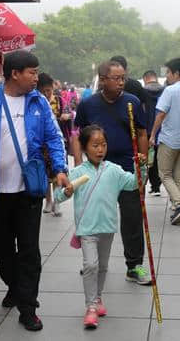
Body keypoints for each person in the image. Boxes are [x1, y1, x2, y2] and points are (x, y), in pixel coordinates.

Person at [0, 50, 70, 331]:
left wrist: (60, 169)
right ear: (14, 73)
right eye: (32, 72)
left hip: (29, 189)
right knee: (2, 250)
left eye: (37, 72)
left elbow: (54, 137)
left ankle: (28, 307)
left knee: (29, 250)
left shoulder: (39, 103)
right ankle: (14, 285)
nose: (37, 77)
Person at [55, 125, 146, 329]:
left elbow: (133, 184)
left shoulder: (113, 170)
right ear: (85, 148)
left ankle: (98, 298)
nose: (100, 149)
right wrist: (66, 192)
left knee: (103, 267)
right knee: (91, 265)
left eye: (103, 145)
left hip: (107, 227)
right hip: (87, 229)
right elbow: (59, 196)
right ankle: (91, 307)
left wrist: (142, 167)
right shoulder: (77, 172)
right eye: (95, 145)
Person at [74, 60, 152, 285]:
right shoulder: (88, 104)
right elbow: (78, 135)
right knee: (96, 217)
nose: (121, 82)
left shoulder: (132, 102)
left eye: (123, 78)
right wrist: (79, 164)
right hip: (98, 170)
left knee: (132, 217)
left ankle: (134, 265)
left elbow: (141, 133)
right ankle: (93, 261)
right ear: (103, 79)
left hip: (127, 167)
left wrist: (143, 163)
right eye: (116, 78)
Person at [149, 58, 180, 225]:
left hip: (169, 140)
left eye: (168, 73)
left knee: (164, 174)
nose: (167, 76)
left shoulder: (170, 91)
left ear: (176, 73)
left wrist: (152, 134)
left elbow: (161, 114)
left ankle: (179, 203)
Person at [37, 72, 67, 217]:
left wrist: (66, 117)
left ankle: (57, 202)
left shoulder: (59, 101)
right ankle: (48, 201)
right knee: (45, 175)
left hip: (55, 143)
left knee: (57, 173)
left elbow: (70, 113)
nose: (47, 93)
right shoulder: (36, 102)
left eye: (49, 90)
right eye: (44, 91)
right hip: (41, 145)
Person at [142, 70, 164, 196]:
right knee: (160, 158)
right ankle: (159, 184)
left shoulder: (143, 92)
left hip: (147, 130)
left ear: (145, 78)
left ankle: (154, 185)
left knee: (149, 158)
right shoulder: (165, 90)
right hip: (162, 130)